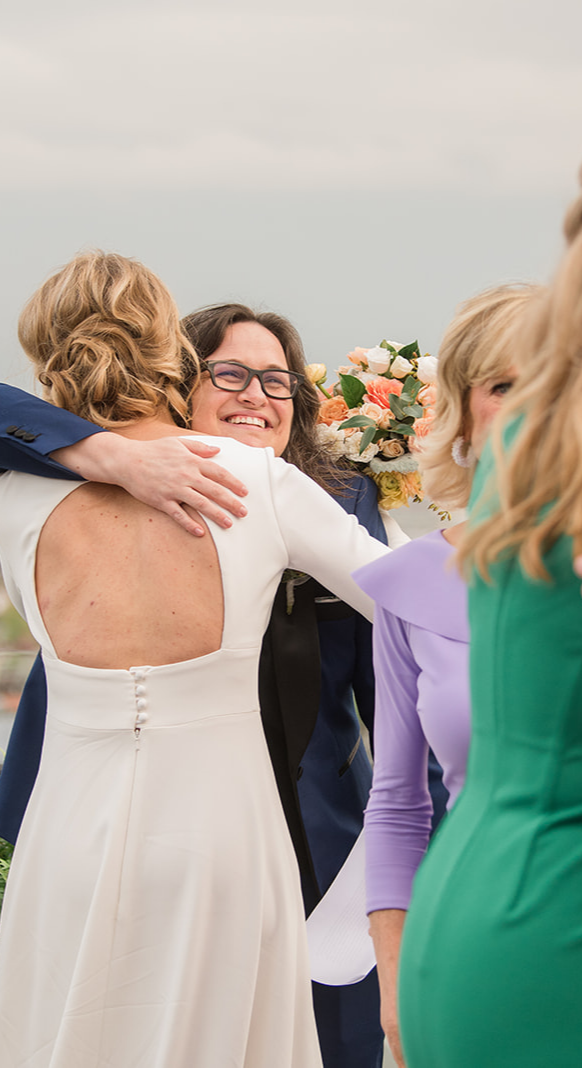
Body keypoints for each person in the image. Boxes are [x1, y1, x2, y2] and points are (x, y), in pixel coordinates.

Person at [0, 303, 411, 1066]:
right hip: (97, 809)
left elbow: (396, 673)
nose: (256, 395)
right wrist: (113, 457)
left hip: (311, 832)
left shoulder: (335, 499)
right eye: (230, 374)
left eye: (277, 381)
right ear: (178, 382)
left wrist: (408, 832)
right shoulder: (72, 470)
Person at [396, 186, 582, 1067]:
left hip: (488, 901)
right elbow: (394, 799)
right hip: (547, 922)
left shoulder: (527, 465)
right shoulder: (554, 473)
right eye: (491, 386)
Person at [350, 283, 537, 1067]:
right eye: (503, 384)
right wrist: (395, 994)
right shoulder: (413, 583)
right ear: (464, 414)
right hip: (469, 948)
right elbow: (397, 806)